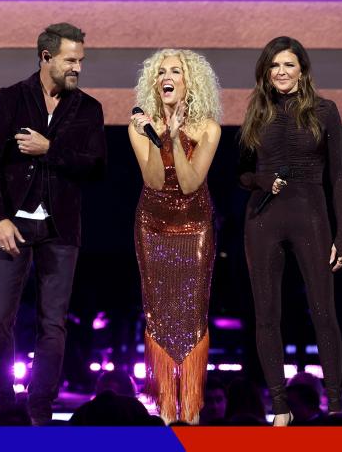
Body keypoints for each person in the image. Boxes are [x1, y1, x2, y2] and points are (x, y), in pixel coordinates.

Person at [0, 22, 106, 425]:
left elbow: (96, 167)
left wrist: (52, 149)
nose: (77, 68)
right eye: (70, 60)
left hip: (60, 228)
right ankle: (1, 405)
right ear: (46, 57)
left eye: (81, 60)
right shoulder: (11, 98)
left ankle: (39, 407)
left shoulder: (88, 109)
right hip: (10, 224)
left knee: (53, 323)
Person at [239, 36, 342, 426]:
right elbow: (242, 174)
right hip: (263, 217)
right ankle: (280, 407)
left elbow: (337, 176)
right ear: (265, 74)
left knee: (323, 311)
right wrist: (261, 179)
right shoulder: (257, 110)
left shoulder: (324, 110)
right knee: (267, 314)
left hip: (311, 214)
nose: (281, 73)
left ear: (302, 70)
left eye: (288, 65)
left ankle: (334, 407)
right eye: (274, 67)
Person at [129, 49, 222, 424]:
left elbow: (188, 182)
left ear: (189, 82)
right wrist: (158, 136)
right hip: (153, 228)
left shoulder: (209, 129)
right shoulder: (140, 127)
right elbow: (153, 180)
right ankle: (168, 413)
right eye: (161, 71)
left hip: (194, 226)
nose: (167, 76)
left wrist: (175, 136)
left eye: (176, 71)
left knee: (192, 315)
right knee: (160, 315)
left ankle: (193, 415)